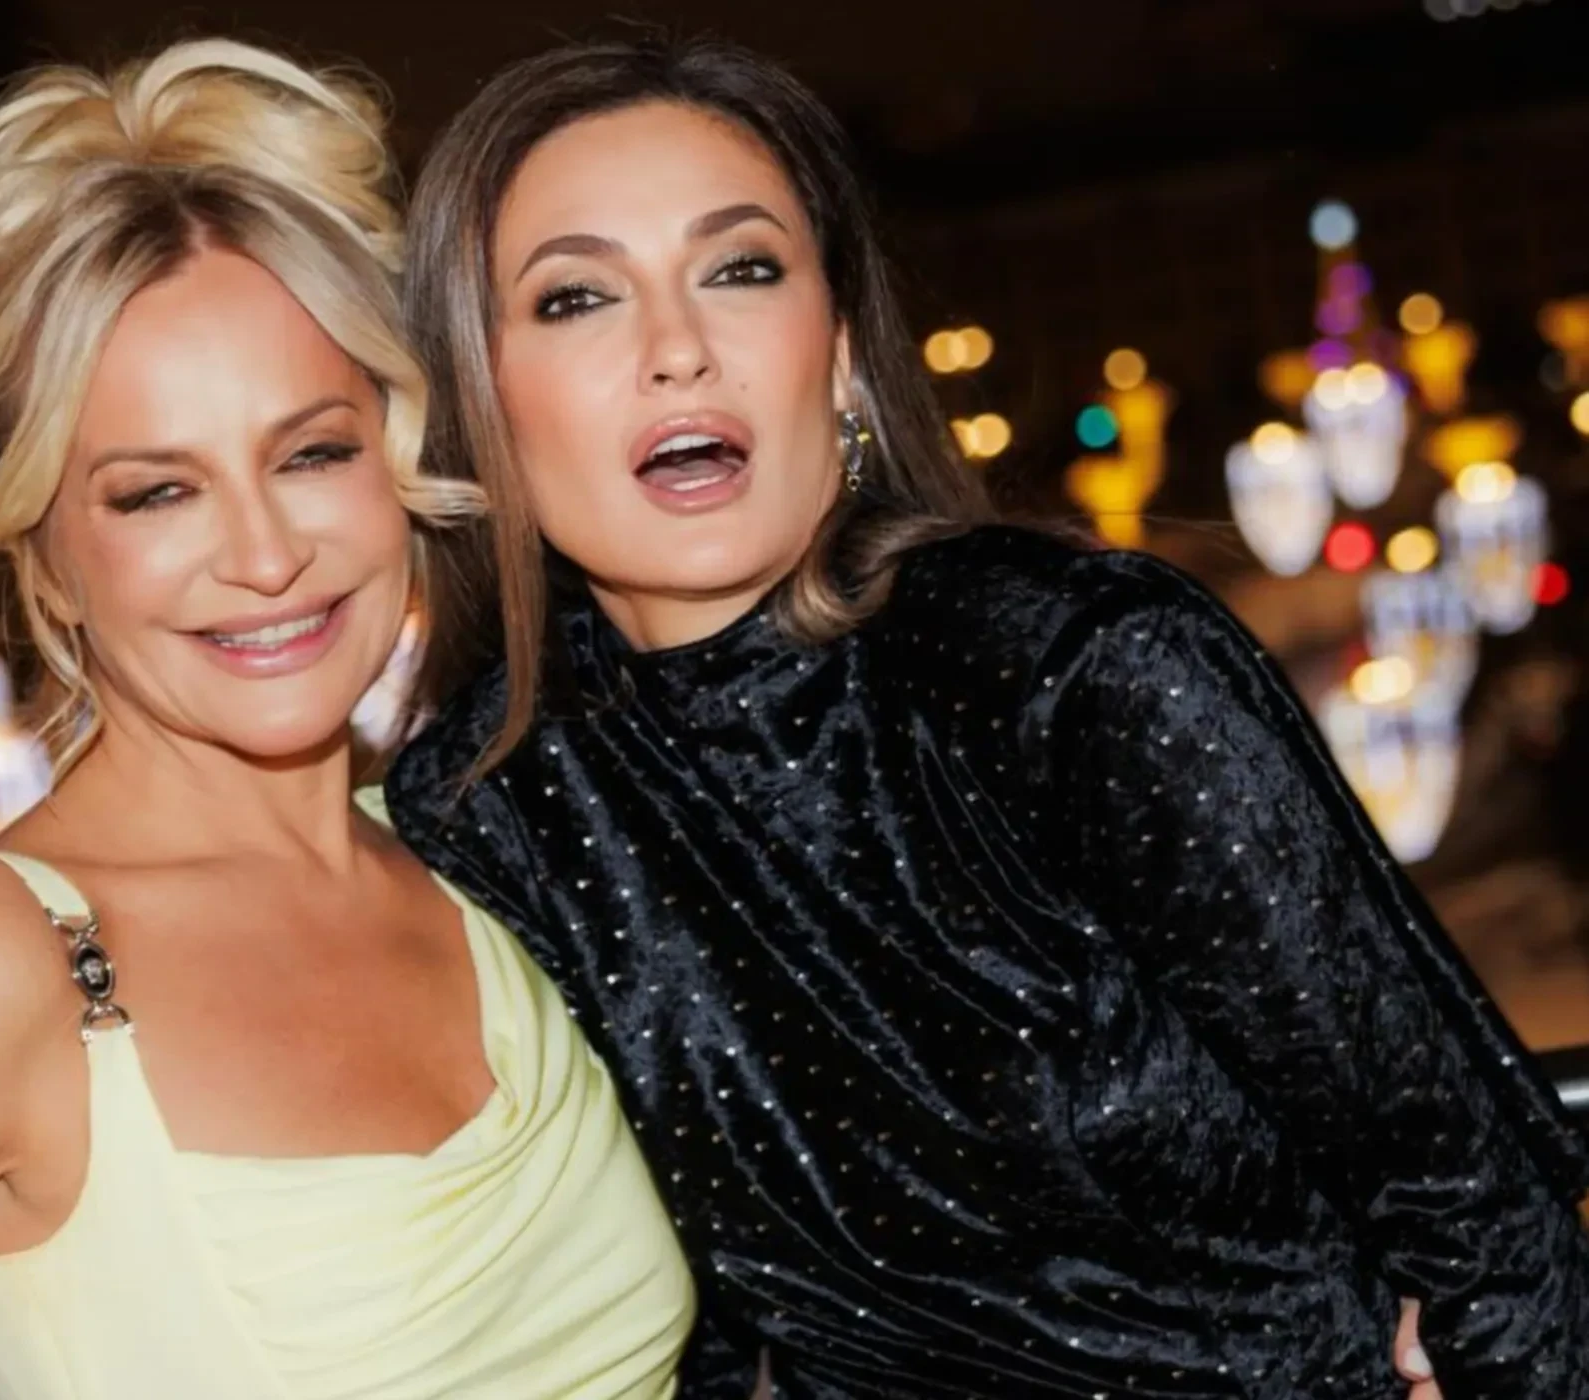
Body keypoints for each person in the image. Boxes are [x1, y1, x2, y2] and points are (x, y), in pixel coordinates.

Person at [383, 33, 1589, 1400]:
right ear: (479, 402)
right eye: (576, 298)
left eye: (741, 270)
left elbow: (1487, 1227)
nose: (677, 351)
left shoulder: (1071, 669)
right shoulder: (489, 805)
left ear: (841, 354)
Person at [0, 40, 693, 1400]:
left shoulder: (480, 855)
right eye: (158, 492)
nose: (265, 554)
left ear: (399, 461)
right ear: (45, 555)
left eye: (312, 452)